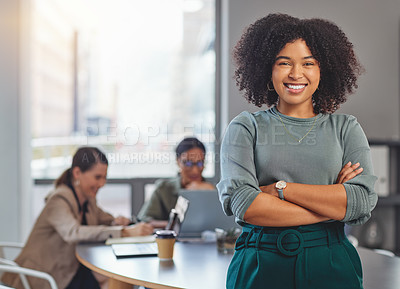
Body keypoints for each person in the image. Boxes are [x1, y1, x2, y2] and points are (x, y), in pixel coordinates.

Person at [217, 13, 378, 289]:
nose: (295, 73)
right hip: (260, 264)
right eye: (284, 63)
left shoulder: (345, 128)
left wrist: (281, 189)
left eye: (308, 63)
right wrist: (333, 207)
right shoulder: (245, 128)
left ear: (322, 70)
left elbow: (361, 201)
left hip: (331, 262)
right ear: (267, 68)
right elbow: (246, 205)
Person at [2, 147, 154, 289]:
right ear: (77, 173)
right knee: (112, 279)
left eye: (104, 178)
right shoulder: (58, 200)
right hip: (46, 275)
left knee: (115, 278)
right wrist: (124, 232)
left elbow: (102, 218)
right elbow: (73, 232)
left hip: (70, 268)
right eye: (97, 177)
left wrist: (117, 222)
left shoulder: (87, 198)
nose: (102, 184)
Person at [138, 137, 215, 227]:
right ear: (178, 161)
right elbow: (143, 220)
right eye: (188, 163)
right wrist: (174, 225)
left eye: (200, 163)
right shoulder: (164, 188)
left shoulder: (212, 190)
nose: (195, 171)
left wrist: (212, 192)